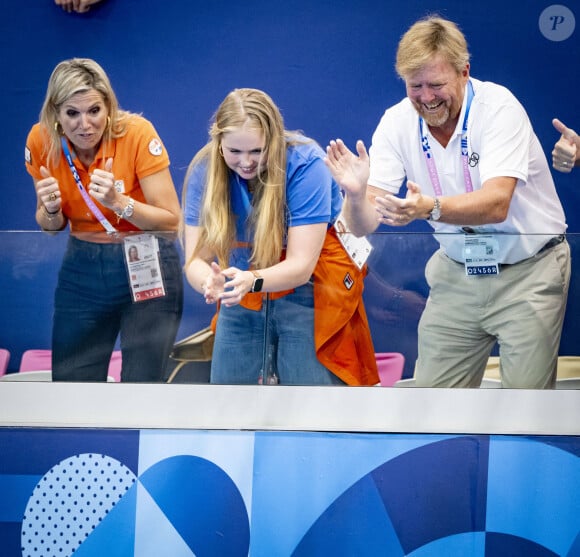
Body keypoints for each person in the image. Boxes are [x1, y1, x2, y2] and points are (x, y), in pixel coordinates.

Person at [326, 16, 570, 389]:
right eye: (415, 86)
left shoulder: (499, 108)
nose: (426, 98)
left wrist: (430, 208)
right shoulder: (396, 122)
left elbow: (496, 204)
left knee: (527, 407)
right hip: (457, 272)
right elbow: (363, 224)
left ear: (464, 72)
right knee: (431, 405)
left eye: (436, 84)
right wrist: (356, 196)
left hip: (530, 271)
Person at [183, 88, 377, 386]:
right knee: (230, 400)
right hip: (239, 290)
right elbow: (195, 260)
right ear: (218, 142)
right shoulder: (204, 170)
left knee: (308, 403)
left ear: (273, 141)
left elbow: (300, 267)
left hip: (309, 288)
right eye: (234, 151)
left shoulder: (306, 163)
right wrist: (210, 283)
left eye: (257, 151)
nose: (246, 162)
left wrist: (251, 281)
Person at [25, 58, 183, 382]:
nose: (85, 124)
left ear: (108, 107)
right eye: (72, 113)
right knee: (72, 384)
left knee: (142, 384)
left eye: (94, 111)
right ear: (56, 114)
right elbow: (50, 226)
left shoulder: (137, 133)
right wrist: (51, 210)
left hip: (144, 258)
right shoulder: (40, 141)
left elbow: (171, 222)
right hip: (82, 265)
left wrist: (118, 202)